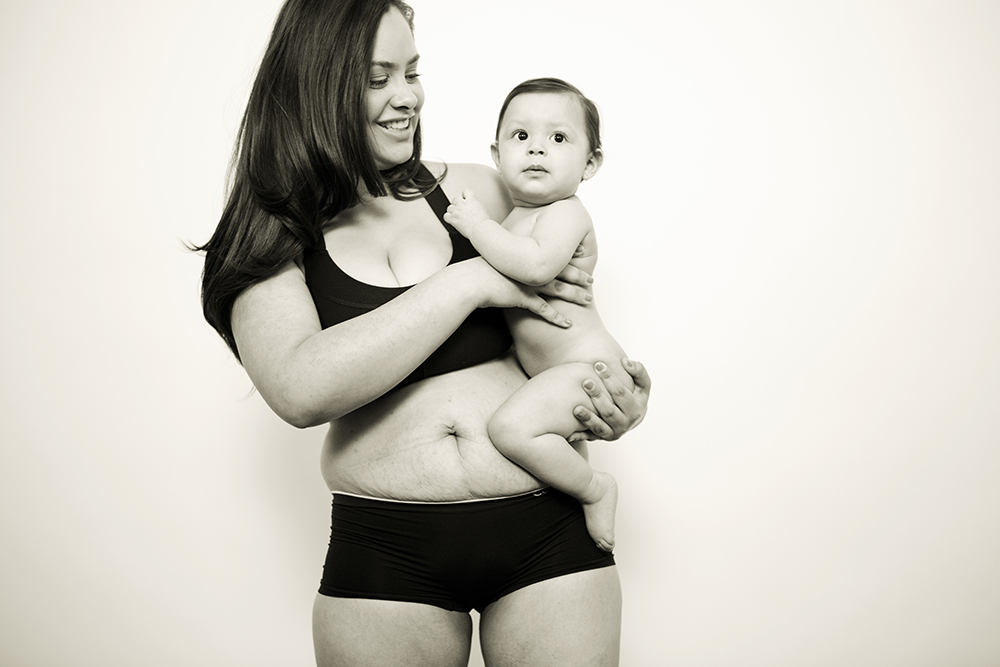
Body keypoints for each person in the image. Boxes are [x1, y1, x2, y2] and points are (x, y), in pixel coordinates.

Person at [195, 1, 650, 665]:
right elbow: (298, 388)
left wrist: (617, 394)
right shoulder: (271, 231)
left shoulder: (479, 192)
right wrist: (469, 283)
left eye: (412, 71)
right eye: (377, 78)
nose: (407, 96)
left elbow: (563, 321)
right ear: (316, 87)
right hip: (387, 550)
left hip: (546, 526)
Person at [443, 78, 627, 553]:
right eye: (520, 136)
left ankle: (594, 487)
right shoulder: (514, 220)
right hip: (558, 372)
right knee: (526, 429)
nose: (536, 149)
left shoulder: (565, 212)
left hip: (586, 368)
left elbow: (536, 265)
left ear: (590, 163)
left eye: (558, 138)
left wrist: (477, 226)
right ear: (497, 153)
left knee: (510, 429)